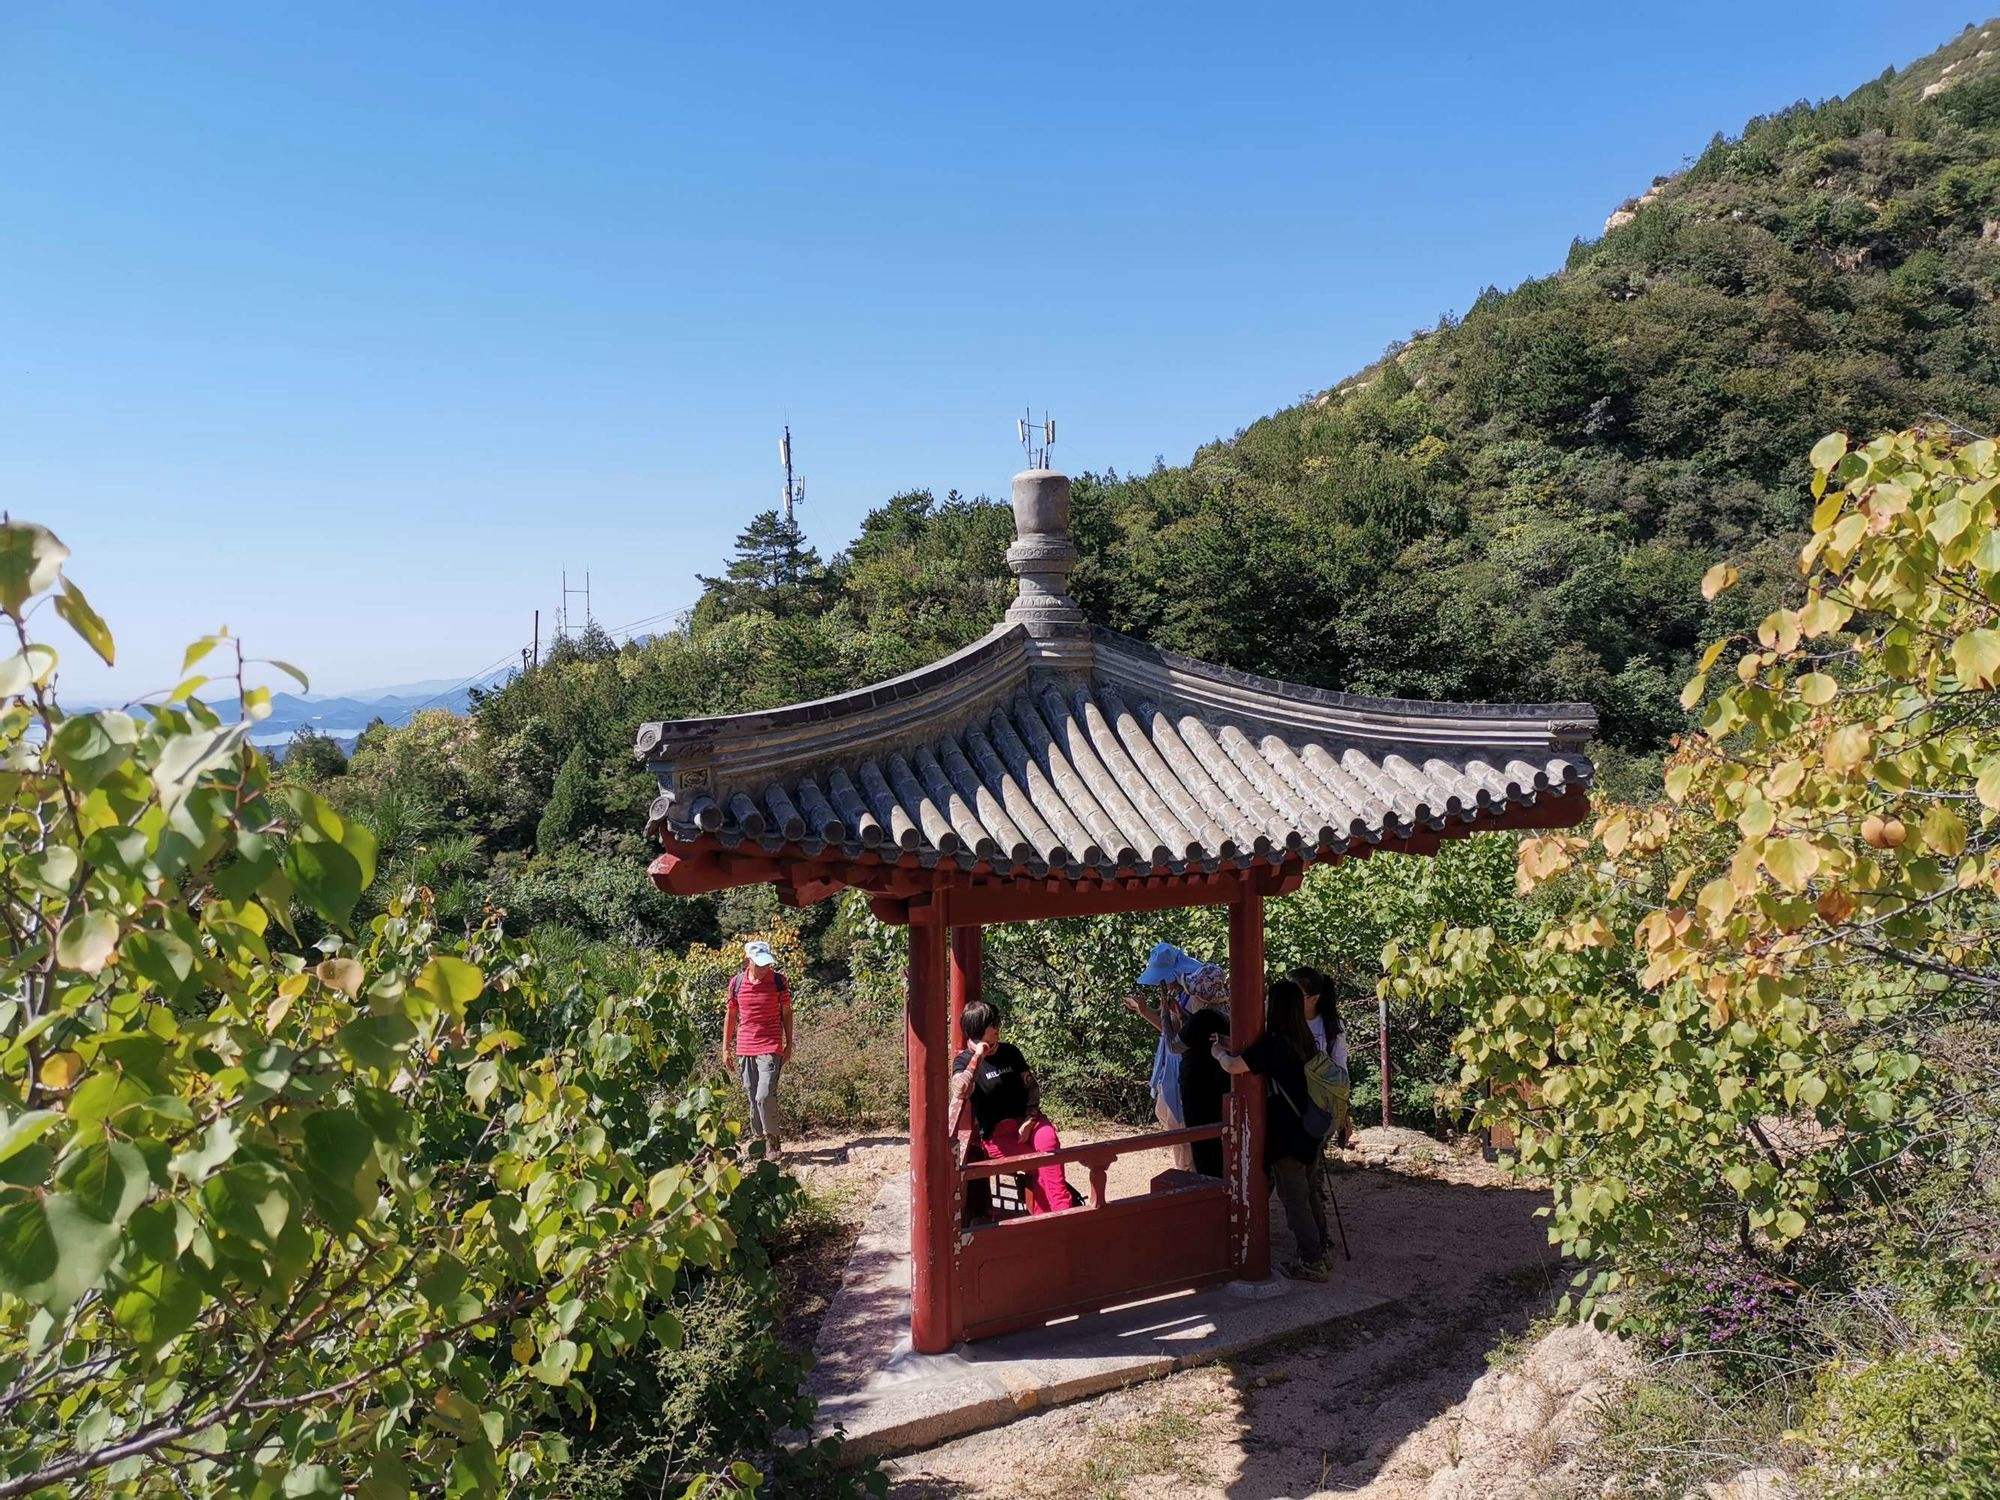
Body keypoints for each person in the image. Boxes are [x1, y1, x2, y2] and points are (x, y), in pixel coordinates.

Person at [1211, 978, 1332, 1281]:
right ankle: (1322, 1250)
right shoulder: (1305, 1040)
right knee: (1309, 1192)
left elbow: (1234, 1067)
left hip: (1286, 1135)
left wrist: (1217, 1053)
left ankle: (1311, 1262)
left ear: (1274, 1007)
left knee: (1295, 1200)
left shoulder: (1274, 1043)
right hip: (1311, 1128)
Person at [951, 1001, 1078, 1215]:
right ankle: (1051, 1217)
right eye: (993, 1024)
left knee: (1050, 1148)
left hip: (1030, 1122)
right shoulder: (963, 1060)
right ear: (978, 1028)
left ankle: (1062, 1211)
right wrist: (979, 1056)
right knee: (1040, 1165)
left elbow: (1032, 1086)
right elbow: (960, 1089)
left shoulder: (1010, 1052)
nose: (998, 1027)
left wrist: (1030, 1119)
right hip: (998, 1137)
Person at [1121, 941, 1220, 1170]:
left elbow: (1178, 1036)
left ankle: (1192, 1177)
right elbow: (1173, 1030)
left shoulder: (1197, 995)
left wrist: (1150, 1011)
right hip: (1184, 1065)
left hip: (1198, 1069)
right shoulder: (1182, 993)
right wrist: (1145, 1010)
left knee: (1191, 1129)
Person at [721, 939, 792, 1158]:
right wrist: (726, 1048)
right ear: (748, 961)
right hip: (745, 1046)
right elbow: (731, 1015)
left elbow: (787, 1013)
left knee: (764, 1096)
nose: (764, 969)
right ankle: (758, 1143)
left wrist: (789, 1043)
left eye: (767, 964)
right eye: (759, 964)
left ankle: (773, 1142)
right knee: (752, 1096)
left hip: (770, 1045)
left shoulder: (779, 981)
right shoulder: (737, 983)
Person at [1170, 968, 1231, 1178]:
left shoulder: (1202, 1018)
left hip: (1198, 1089)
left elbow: (1174, 1046)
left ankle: (1209, 1188)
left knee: (1202, 1145)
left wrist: (1165, 1017)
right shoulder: (1222, 1015)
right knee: (1218, 1143)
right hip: (1218, 1086)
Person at [1292, 966, 1354, 1148]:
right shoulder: (1285, 1022)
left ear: (1314, 999)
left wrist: (1342, 1109)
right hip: (1290, 1097)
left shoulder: (1332, 1026)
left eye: (1295, 994)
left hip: (1318, 1103)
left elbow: (1340, 1068)